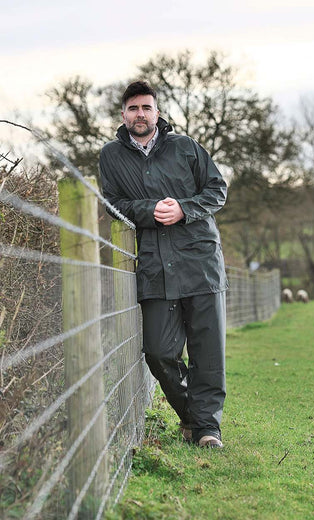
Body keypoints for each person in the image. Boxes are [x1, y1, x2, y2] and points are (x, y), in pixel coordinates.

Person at [99, 80, 228, 448]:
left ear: (158, 112)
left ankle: (207, 430)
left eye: (147, 108)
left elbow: (217, 190)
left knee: (208, 355)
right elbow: (113, 204)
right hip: (155, 270)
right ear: (123, 115)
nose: (140, 114)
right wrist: (149, 211)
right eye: (133, 108)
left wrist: (185, 209)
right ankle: (193, 415)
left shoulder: (185, 147)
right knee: (158, 351)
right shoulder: (111, 156)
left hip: (200, 263)